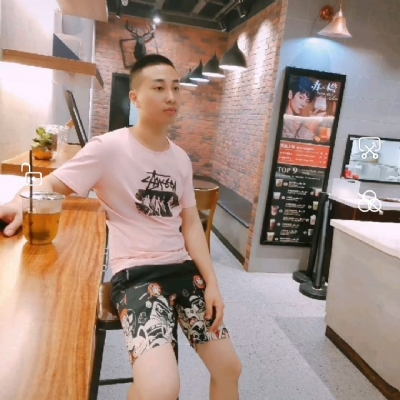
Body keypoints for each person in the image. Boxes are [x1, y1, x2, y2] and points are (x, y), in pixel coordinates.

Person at [0, 54, 242, 400]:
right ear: (135, 97)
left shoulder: (180, 158)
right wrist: (18, 202)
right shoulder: (108, 147)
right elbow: (52, 184)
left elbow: (190, 225)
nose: (171, 96)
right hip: (136, 276)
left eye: (176, 88)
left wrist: (212, 284)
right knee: (161, 389)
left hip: (183, 271)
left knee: (229, 368)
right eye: (159, 88)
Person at [282, 76, 326, 141]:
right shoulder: (283, 123)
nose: (303, 104)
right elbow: (294, 146)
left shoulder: (302, 121)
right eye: (301, 97)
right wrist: (308, 128)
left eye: (307, 101)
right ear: (290, 94)